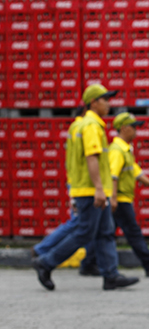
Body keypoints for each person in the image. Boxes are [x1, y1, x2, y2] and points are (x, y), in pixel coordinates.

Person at [32, 84, 140, 291]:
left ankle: (111, 275)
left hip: (89, 188)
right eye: (105, 99)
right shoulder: (91, 126)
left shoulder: (79, 124)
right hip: (92, 190)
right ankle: (46, 262)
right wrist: (99, 188)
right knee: (85, 232)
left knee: (104, 232)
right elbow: (92, 158)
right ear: (94, 102)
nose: (109, 104)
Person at [79, 112, 149, 277]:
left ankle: (88, 263)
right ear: (124, 128)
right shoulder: (117, 150)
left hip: (121, 198)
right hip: (119, 199)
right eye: (134, 127)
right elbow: (113, 176)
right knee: (132, 231)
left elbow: (135, 171)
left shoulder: (125, 150)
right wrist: (113, 199)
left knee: (104, 232)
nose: (136, 131)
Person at [31, 106, 97, 273]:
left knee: (91, 226)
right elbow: (83, 161)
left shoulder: (76, 128)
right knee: (79, 224)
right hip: (81, 185)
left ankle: (90, 262)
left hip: (78, 184)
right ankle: (43, 253)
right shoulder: (84, 128)